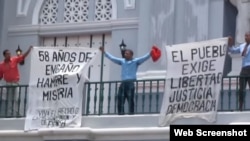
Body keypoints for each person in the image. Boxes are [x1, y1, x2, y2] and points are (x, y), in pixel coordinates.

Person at [99, 46, 153, 115]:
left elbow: (144, 58)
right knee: (120, 98)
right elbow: (112, 58)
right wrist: (104, 52)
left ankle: (131, 113)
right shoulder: (122, 61)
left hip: (130, 83)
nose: (125, 54)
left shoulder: (136, 61)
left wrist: (150, 53)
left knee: (130, 99)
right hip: (123, 83)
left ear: (131, 55)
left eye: (127, 53)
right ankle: (121, 113)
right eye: (125, 53)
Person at [0, 46, 33, 117]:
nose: (9, 55)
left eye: (10, 54)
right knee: (9, 100)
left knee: (17, 99)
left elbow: (23, 56)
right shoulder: (1, 65)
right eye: (8, 54)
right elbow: (0, 76)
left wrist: (29, 50)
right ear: (4, 55)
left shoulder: (14, 59)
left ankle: (18, 113)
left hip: (15, 83)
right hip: (8, 84)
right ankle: (9, 114)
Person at [228, 32, 250, 111]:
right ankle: (240, 106)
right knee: (241, 89)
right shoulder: (242, 46)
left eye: (247, 36)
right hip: (244, 69)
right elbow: (233, 51)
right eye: (245, 36)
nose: (246, 37)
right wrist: (230, 44)